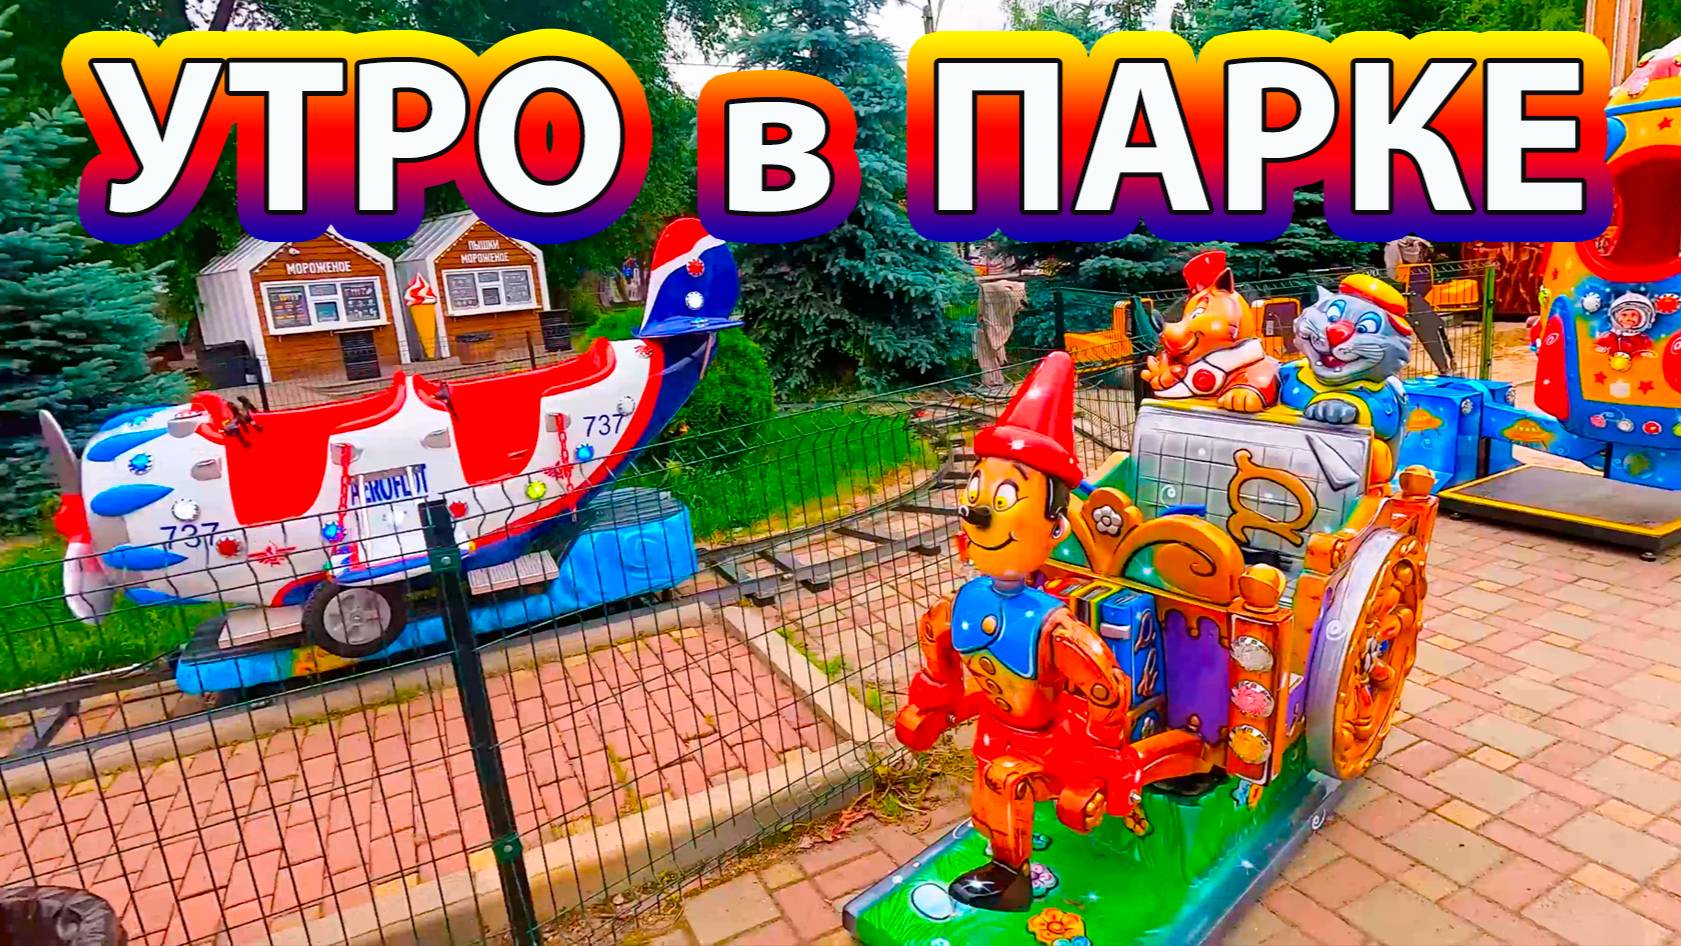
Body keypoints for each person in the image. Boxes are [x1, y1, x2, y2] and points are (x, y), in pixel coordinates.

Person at [895, 352, 1136, 911]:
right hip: (999, 727)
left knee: (1004, 779)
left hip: (1054, 741)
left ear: (1056, 528)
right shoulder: (963, 603)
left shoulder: (1053, 629)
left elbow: (1106, 688)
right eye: (977, 494)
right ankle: (1003, 849)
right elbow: (937, 649)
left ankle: (1010, 877)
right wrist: (933, 703)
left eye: (1004, 500)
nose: (980, 512)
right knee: (992, 778)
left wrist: (1098, 763)